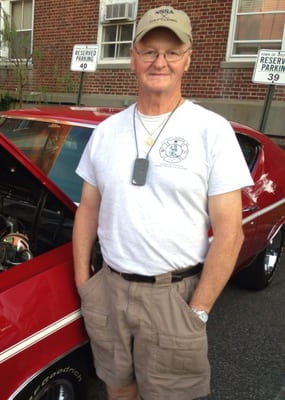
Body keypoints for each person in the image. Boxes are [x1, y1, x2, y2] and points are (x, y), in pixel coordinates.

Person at [73, 5, 254, 400]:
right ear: (133, 58)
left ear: (187, 59)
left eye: (172, 52)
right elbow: (88, 208)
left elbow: (230, 233)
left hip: (175, 297)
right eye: (149, 50)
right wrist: (84, 283)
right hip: (110, 289)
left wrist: (199, 309)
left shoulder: (212, 131)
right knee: (117, 388)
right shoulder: (106, 133)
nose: (160, 62)